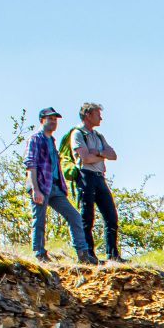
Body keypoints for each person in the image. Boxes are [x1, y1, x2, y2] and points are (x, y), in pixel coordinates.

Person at [24, 108, 94, 263]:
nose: (53, 122)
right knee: (39, 220)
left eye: (55, 119)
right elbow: (30, 164)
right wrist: (35, 189)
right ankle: (39, 253)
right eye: (50, 119)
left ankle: (83, 254)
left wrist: (63, 187)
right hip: (41, 185)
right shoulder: (35, 138)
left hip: (54, 187)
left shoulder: (52, 141)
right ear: (42, 120)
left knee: (74, 216)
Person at [70, 103, 123, 262]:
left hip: (100, 176)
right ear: (88, 115)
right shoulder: (78, 134)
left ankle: (113, 255)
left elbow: (113, 155)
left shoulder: (99, 136)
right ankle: (89, 255)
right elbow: (85, 158)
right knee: (87, 216)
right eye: (97, 114)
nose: (101, 117)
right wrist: (102, 155)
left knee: (111, 216)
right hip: (86, 176)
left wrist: (98, 153)